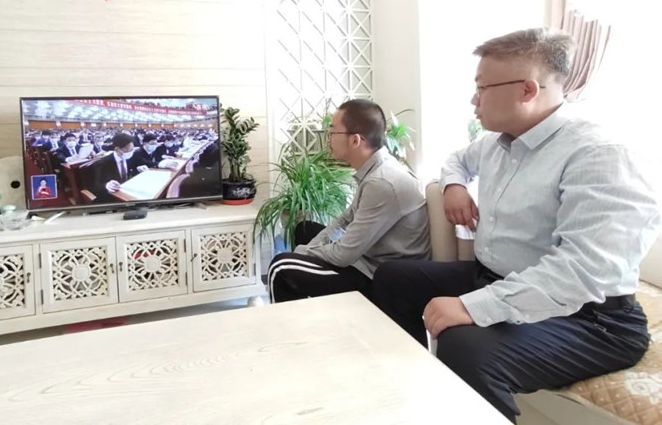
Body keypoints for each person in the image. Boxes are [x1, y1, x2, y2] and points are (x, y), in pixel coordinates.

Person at [372, 28, 661, 423]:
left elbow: (582, 272)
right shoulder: (497, 142)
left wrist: (472, 306)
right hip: (497, 277)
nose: (474, 100)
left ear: (527, 90)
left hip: (590, 318)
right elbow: (457, 160)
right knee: (394, 278)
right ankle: (407, 393)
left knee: (465, 345)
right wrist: (454, 187)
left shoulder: (600, 155)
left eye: (481, 88)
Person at [267, 98, 430, 304]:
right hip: (367, 259)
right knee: (304, 230)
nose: (328, 138)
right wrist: (307, 251)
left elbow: (344, 254)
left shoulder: (382, 182)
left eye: (333, 132)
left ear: (355, 140)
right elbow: (344, 220)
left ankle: (292, 324)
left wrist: (303, 253)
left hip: (380, 278)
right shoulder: (375, 170)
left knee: (281, 268)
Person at [88, 133, 139, 203]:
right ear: (117, 149)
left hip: (128, 193)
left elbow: (131, 172)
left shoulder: (130, 158)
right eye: (128, 150)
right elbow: (96, 186)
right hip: (112, 198)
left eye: (132, 150)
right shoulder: (102, 163)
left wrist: (138, 170)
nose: (131, 153)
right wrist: (106, 185)